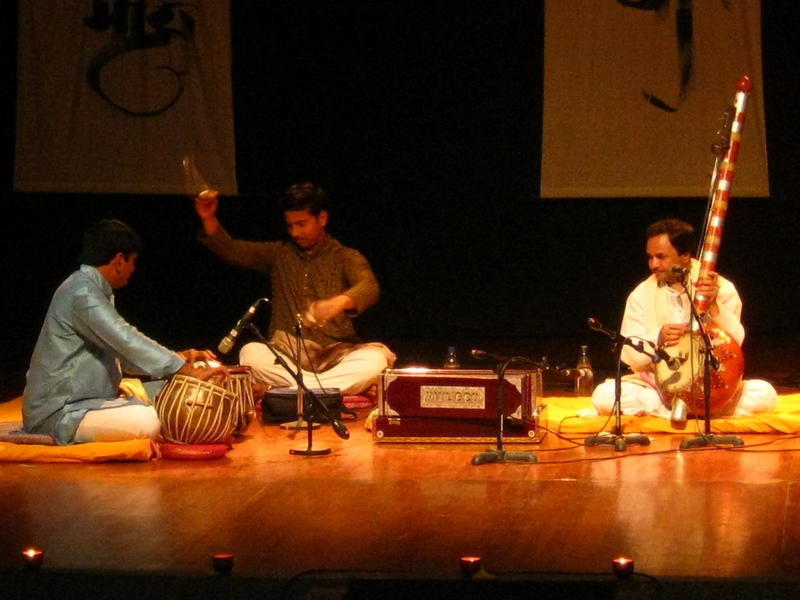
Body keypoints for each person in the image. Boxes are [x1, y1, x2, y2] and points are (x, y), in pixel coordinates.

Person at [23, 219, 225, 445]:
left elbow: (124, 355)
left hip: (87, 403)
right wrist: (181, 369)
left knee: (167, 391)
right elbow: (125, 339)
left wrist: (181, 358)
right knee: (147, 420)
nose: (133, 269)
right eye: (133, 262)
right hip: (60, 412)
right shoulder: (81, 293)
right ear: (119, 261)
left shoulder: (92, 289)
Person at [195, 182, 395, 396]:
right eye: (290, 225)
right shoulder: (279, 254)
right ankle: (323, 392)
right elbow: (234, 250)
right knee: (250, 352)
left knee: (375, 359)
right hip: (287, 355)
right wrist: (209, 218)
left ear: (322, 219)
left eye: (302, 224)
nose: (295, 232)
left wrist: (338, 303)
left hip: (336, 355)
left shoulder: (345, 257)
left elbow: (369, 287)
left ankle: (289, 392)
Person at [591, 218, 777, 418]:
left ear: (685, 255)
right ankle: (694, 411)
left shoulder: (720, 288)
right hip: (659, 386)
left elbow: (735, 342)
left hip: (712, 386)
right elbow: (628, 354)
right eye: (650, 257)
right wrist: (658, 338)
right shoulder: (641, 294)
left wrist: (714, 306)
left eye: (661, 257)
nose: (654, 264)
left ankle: (682, 411)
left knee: (765, 394)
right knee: (604, 396)